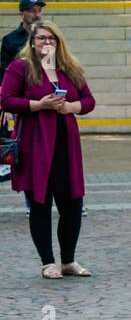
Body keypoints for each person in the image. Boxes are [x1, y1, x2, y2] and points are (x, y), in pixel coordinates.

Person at [1, 20, 95, 278]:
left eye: (51, 38)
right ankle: (48, 262)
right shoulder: (20, 68)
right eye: (41, 38)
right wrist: (38, 104)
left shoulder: (69, 68)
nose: (46, 42)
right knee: (40, 204)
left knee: (73, 205)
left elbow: (88, 100)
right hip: (36, 145)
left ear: (59, 42)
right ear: (32, 42)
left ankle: (68, 261)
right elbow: (6, 99)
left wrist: (70, 108)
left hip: (66, 145)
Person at [1, 0, 45, 181]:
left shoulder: (48, 37)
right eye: (32, 11)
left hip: (44, 100)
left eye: (39, 10)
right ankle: (31, 204)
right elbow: (2, 72)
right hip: (20, 103)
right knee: (24, 154)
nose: (37, 14)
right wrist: (4, 106)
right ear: (22, 15)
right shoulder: (10, 40)